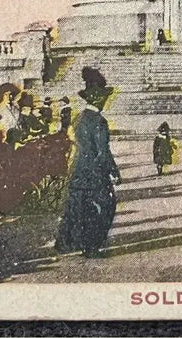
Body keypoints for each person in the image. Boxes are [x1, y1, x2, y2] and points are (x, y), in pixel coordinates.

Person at [55, 67, 121, 257]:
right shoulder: (99, 121)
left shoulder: (79, 117)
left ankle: (71, 242)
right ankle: (92, 245)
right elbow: (102, 150)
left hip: (78, 169)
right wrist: (113, 171)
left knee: (78, 207)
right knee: (106, 206)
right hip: (94, 171)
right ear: (99, 99)